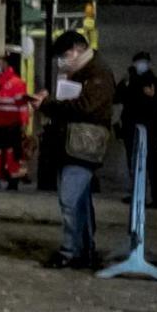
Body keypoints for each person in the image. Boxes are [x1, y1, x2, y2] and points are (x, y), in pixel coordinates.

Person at [35, 30, 117, 269]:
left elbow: (85, 107)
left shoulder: (98, 72)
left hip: (84, 145)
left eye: (64, 54)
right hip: (73, 144)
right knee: (79, 200)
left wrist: (49, 105)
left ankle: (70, 250)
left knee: (69, 198)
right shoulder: (81, 72)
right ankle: (84, 249)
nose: (62, 60)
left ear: (77, 49)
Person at [115, 50, 157, 205]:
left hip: (150, 127)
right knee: (133, 161)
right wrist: (124, 85)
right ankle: (137, 193)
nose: (141, 65)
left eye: (144, 62)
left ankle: (152, 195)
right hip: (131, 126)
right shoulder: (128, 80)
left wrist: (153, 96)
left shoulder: (155, 82)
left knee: (150, 162)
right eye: (138, 62)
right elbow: (117, 98)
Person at [0, 53, 31, 190]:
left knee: (9, 152)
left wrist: (23, 122)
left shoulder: (16, 83)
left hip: (9, 123)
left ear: (7, 64)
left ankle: (11, 180)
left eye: (0, 62)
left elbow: (22, 105)